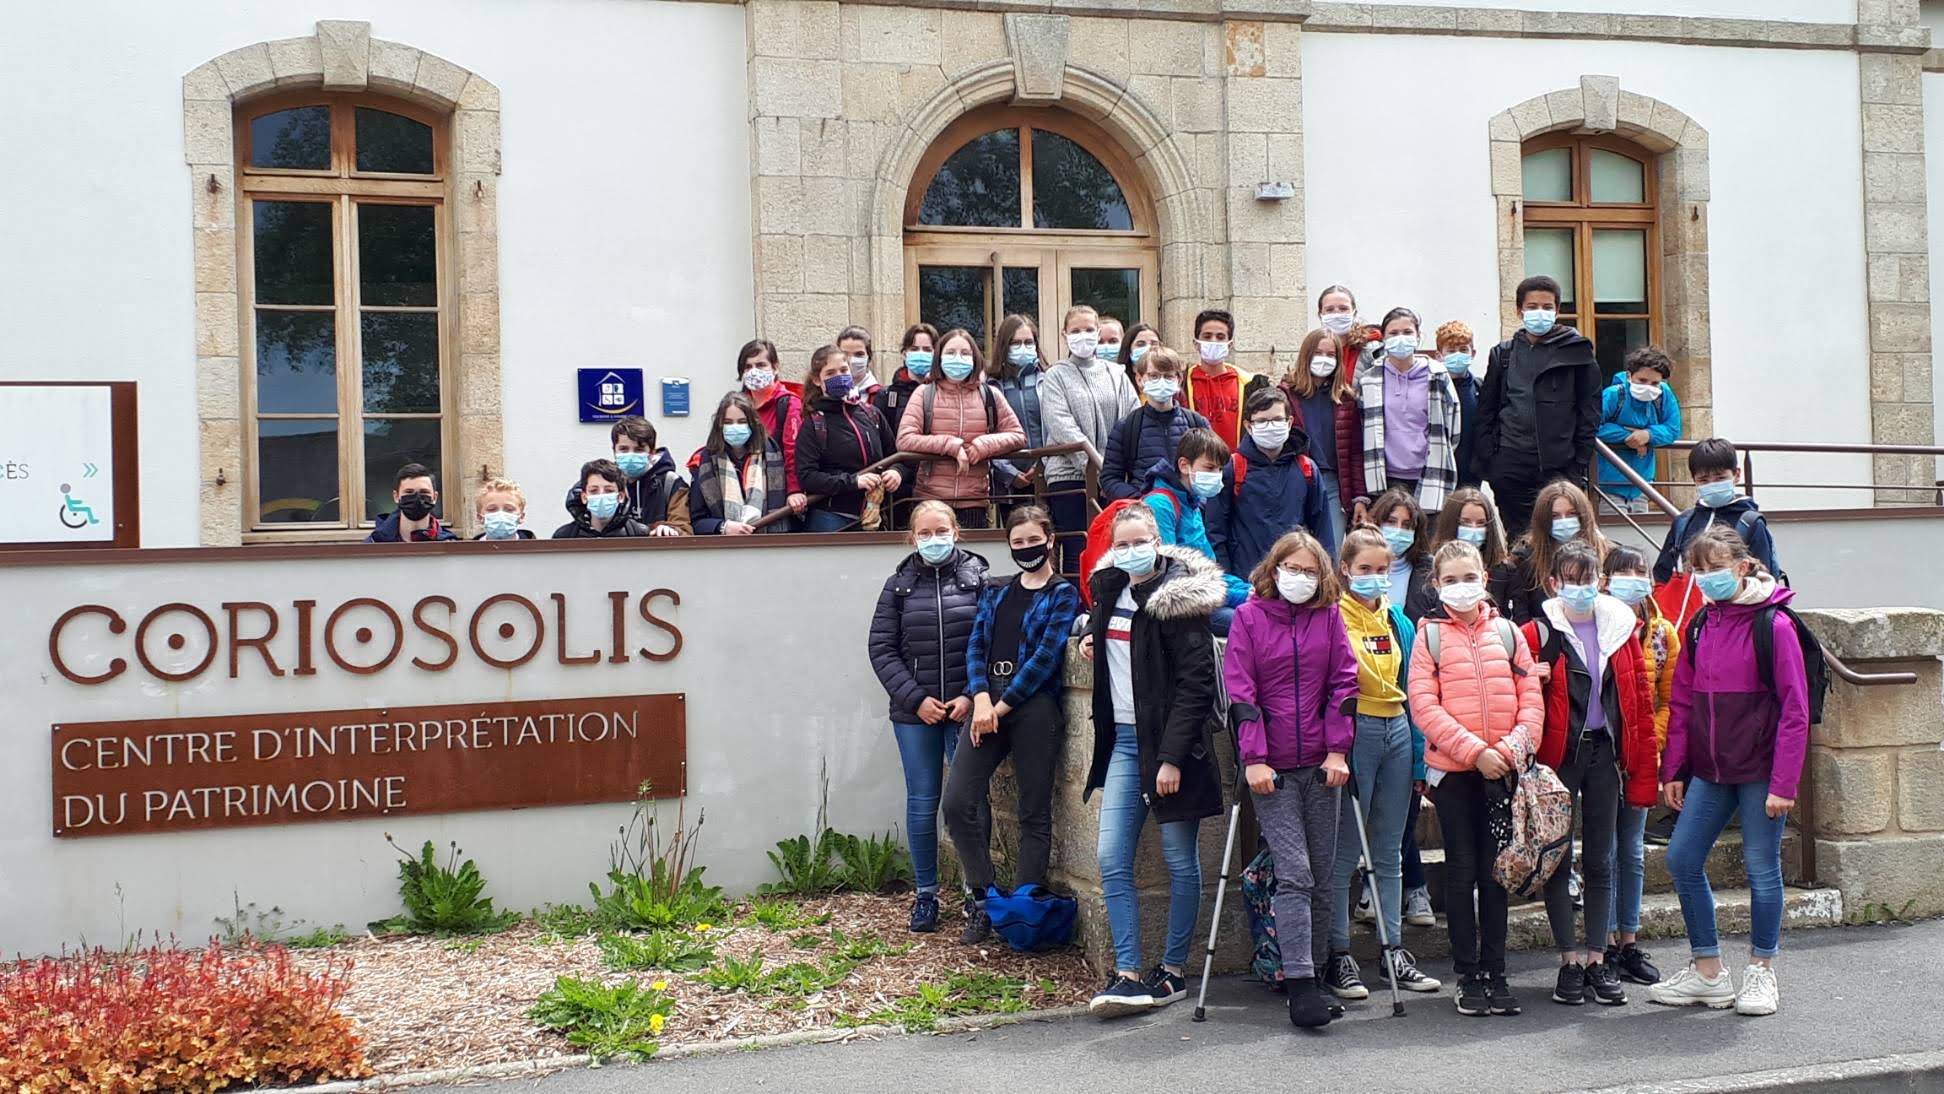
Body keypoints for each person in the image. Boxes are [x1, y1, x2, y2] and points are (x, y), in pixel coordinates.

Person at [1648, 527, 1806, 1018]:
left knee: (1762, 868)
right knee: (1682, 858)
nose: (1704, 578)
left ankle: (1761, 969)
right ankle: (1709, 971)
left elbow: (1795, 710)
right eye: (1698, 569)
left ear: (1742, 567)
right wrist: (1675, 768)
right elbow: (1682, 701)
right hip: (1712, 771)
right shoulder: (1700, 624)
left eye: (1714, 568)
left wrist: (1784, 783)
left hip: (1760, 771)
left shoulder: (1774, 625)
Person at [1080, 505, 1225, 1017]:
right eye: (1121, 544)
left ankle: (1173, 970)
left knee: (1180, 860)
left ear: (1158, 541)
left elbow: (1196, 685)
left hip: (1171, 749)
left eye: (1140, 541)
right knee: (1111, 857)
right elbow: (1117, 637)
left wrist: (1171, 758)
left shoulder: (1179, 598)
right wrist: (1090, 636)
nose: (1131, 551)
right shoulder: (1109, 587)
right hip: (1123, 741)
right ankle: (1127, 972)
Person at [1223, 529, 1359, 1028]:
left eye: (1309, 570)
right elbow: (1241, 691)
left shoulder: (1330, 617)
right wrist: (1254, 758)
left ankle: (1316, 975)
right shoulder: (1248, 618)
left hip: (1322, 765)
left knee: (1321, 874)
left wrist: (1338, 749)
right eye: (1292, 568)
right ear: (1274, 569)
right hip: (1273, 769)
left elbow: (1344, 683)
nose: (1299, 577)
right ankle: (1299, 985)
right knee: (1295, 873)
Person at [1409, 539, 1544, 1017]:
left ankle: (1496, 971)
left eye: (1469, 577)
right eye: (1450, 580)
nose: (1461, 587)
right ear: (1436, 584)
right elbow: (1424, 706)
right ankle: (1467, 974)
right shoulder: (1428, 639)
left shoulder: (1508, 633)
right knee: (1462, 869)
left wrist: (1506, 752)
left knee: (1494, 874)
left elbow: (1532, 701)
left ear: (1485, 579)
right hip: (1454, 775)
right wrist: (1475, 752)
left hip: (1502, 772)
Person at [1521, 540, 1658, 1008]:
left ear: (1600, 581)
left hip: (1605, 754)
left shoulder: (1621, 628)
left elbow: (1638, 704)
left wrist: (1643, 767)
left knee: (1602, 860)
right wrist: (1533, 677)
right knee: (1557, 860)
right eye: (1570, 580)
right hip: (1559, 759)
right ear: (1554, 582)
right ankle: (1569, 961)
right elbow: (1519, 693)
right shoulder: (1537, 632)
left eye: (1587, 579)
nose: (1579, 588)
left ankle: (1598, 959)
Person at [945, 506, 1081, 944]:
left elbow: (1045, 658)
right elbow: (976, 646)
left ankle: (1024, 909)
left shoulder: (1063, 594)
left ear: (1051, 540)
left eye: (1033, 540)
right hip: (988, 700)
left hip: (1032, 707)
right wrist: (982, 696)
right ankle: (984, 899)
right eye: (1018, 542)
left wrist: (998, 709)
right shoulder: (996, 590)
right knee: (957, 802)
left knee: (1033, 811)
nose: (1026, 548)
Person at [1324, 527, 1441, 1002]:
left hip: (1396, 729)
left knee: (1390, 849)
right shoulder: (1332, 616)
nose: (1374, 577)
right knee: (1345, 852)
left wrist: (1418, 757)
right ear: (1345, 570)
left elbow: (1413, 690)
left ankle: (1393, 948)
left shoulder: (1398, 620)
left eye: (1382, 569)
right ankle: (1337, 953)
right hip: (1355, 732)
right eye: (1364, 569)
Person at [867, 501, 989, 933]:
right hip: (914, 713)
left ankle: (980, 894)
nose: (933, 540)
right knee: (922, 802)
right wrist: (916, 699)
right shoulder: (897, 586)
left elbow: (990, 641)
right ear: (912, 537)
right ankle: (926, 894)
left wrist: (970, 696)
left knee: (971, 802)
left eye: (941, 531)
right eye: (925, 533)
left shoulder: (978, 579)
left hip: (965, 710)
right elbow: (882, 649)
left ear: (956, 531)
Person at [1603, 542, 1679, 982]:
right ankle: (1604, 942)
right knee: (1604, 850)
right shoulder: (1596, 626)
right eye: (1623, 572)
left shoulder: (1662, 634)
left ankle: (1628, 941)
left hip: (1643, 755)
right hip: (1602, 753)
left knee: (1631, 851)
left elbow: (1670, 698)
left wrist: (1652, 740)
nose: (1633, 581)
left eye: (1640, 573)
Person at [1474, 275, 1601, 533]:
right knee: (1518, 537)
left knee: (1559, 536)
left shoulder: (1578, 352)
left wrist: (1578, 461)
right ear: (1519, 311)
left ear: (1557, 310)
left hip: (1559, 465)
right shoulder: (1503, 354)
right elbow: (1487, 409)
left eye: (1547, 307)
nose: (1539, 313)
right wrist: (1492, 460)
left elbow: (1590, 410)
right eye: (1532, 307)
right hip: (1510, 462)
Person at [1040, 305, 1138, 572]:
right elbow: (1060, 423)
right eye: (1075, 330)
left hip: (1114, 478)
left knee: (1114, 550)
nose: (1082, 336)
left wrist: (1113, 470)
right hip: (1070, 477)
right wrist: (1096, 467)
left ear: (1098, 332)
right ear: (1064, 334)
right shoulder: (1055, 375)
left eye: (1089, 329)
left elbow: (1132, 419)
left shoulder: (1117, 374)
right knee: (1078, 550)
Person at [896, 328, 1025, 528]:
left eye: (965, 353)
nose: (958, 358)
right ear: (939, 357)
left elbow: (1017, 435)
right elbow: (905, 439)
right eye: (950, 352)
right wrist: (950, 445)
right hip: (930, 500)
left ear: (975, 358)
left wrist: (983, 445)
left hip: (974, 501)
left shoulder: (990, 394)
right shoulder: (924, 393)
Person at [1206, 388, 1336, 582]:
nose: (1270, 426)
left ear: (1289, 422)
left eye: (1277, 419)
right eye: (1262, 421)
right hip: (1245, 580)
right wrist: (1227, 580)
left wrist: (1326, 576)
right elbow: (1215, 530)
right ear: (1248, 426)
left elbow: (1323, 529)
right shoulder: (1233, 468)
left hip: (1294, 578)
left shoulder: (1306, 469)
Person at [1348, 307, 1462, 517]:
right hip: (1384, 479)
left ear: (1418, 336)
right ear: (1384, 338)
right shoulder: (1369, 379)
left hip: (1429, 477)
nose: (1401, 338)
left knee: (1427, 535)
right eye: (1393, 333)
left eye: (1407, 332)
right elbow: (1362, 428)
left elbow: (1453, 428)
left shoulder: (1438, 375)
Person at [1138, 428, 1252, 632]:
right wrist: (1240, 595)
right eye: (1209, 467)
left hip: (1203, 593)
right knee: (1251, 620)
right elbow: (1169, 575)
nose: (1217, 475)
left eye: (1219, 469)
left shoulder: (1192, 503)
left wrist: (1250, 590)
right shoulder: (1160, 504)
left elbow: (1210, 570)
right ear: (1184, 465)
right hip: (1179, 603)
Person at [795, 344, 905, 532]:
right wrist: (853, 481)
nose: (839, 376)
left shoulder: (872, 414)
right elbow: (808, 476)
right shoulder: (814, 423)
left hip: (875, 511)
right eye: (830, 373)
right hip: (831, 516)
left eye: (843, 370)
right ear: (816, 380)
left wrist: (896, 472)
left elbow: (896, 455)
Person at [1651, 436, 1783, 585]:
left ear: (1736, 475)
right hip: (1688, 599)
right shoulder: (1683, 522)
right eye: (1703, 480)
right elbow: (1663, 573)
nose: (1712, 484)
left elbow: (1764, 578)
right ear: (1694, 480)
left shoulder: (1750, 523)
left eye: (1720, 478)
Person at [1492, 478, 1608, 625]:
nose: (1564, 521)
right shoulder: (1524, 559)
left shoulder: (1606, 552)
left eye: (1571, 514)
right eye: (1555, 516)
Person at [1102, 347, 1209, 500]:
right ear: (1140, 379)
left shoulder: (1196, 423)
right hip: (1145, 509)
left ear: (1179, 380)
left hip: (1190, 508)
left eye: (1168, 376)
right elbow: (1110, 478)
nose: (1161, 381)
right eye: (1154, 376)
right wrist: (1139, 500)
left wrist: (1200, 503)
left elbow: (1212, 468)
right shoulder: (1127, 426)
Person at [1282, 328, 1356, 544]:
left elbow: (1355, 451)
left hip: (1333, 484)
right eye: (1318, 353)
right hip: (1297, 480)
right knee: (1295, 547)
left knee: (1330, 550)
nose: (1324, 359)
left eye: (1331, 355)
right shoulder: (1286, 393)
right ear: (1306, 354)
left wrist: (1359, 497)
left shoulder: (1345, 398)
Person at [571, 416, 691, 536]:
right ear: (614, 450)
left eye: (638, 449)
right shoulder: (605, 480)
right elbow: (578, 501)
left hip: (655, 547)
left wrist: (670, 530)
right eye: (623, 449)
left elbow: (684, 530)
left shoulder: (670, 483)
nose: (630, 455)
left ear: (652, 452)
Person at [1598, 345, 1682, 514]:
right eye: (1642, 380)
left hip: (1643, 483)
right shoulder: (1613, 394)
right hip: (1609, 483)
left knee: (1640, 528)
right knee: (1614, 528)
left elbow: (1673, 429)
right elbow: (1591, 426)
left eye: (1655, 383)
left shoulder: (1664, 395)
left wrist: (1648, 435)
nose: (1648, 387)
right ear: (1629, 376)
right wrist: (1629, 436)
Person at [690, 392, 790, 535]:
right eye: (728, 422)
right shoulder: (705, 462)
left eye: (742, 421)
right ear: (719, 425)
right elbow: (697, 520)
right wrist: (723, 527)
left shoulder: (772, 454)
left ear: (752, 423)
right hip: (725, 545)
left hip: (769, 542)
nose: (735, 427)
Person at [734, 339, 809, 520]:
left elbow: (792, 450)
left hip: (776, 491)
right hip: (740, 491)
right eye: (748, 367)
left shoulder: (788, 403)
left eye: (761, 365)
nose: (754, 371)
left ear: (775, 367)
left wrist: (794, 490)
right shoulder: (736, 404)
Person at [989, 314, 1048, 514]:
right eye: (1015, 343)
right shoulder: (990, 385)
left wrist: (1041, 466)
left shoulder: (1049, 380)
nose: (1023, 347)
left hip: (1047, 476)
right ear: (1004, 346)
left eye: (1028, 342)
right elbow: (986, 433)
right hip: (1009, 483)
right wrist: (1009, 473)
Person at [1182, 308, 1253, 449]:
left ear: (1230, 344)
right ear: (1196, 343)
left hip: (1236, 460)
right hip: (1196, 459)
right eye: (1207, 336)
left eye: (1220, 337)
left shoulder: (1248, 384)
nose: (1213, 341)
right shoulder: (1182, 383)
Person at [1368, 488, 1437, 623]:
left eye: (1406, 525)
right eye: (1391, 522)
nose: (1398, 530)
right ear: (1376, 523)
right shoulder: (1359, 565)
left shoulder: (1429, 570)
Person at [1434, 320, 1484, 489]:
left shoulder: (1480, 388)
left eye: (1463, 350)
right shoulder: (1432, 388)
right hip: (1439, 471)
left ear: (1473, 353)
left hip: (1471, 473)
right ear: (1439, 355)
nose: (1457, 355)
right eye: (1451, 350)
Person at [553, 458, 651, 538]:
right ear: (584, 497)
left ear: (620, 497)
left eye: (609, 490)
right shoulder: (564, 536)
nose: (601, 495)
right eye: (594, 491)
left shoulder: (639, 533)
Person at [366, 463, 458, 542]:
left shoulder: (450, 546)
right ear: (396, 496)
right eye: (409, 492)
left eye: (424, 492)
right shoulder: (373, 545)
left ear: (435, 497)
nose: (417, 498)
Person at [1431, 486, 1508, 572]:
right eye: (1465, 522)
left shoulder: (1503, 571)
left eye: (1481, 523)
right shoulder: (1432, 567)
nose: (1473, 528)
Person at [836, 325, 881, 407]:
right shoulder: (826, 393)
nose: (851, 360)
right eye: (845, 354)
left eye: (859, 354)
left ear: (868, 356)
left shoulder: (880, 395)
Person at [1122, 321, 1162, 387]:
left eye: (1154, 344)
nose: (1148, 348)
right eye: (1140, 344)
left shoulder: (1170, 380)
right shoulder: (1118, 380)